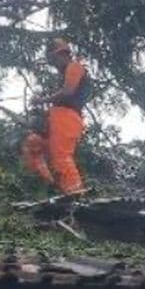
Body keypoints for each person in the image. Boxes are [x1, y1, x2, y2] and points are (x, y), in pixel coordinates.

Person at [22, 38, 90, 195]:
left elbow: (68, 92)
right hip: (56, 117)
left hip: (68, 118)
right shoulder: (65, 73)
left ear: (62, 55)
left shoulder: (74, 67)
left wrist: (42, 100)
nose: (53, 64)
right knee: (33, 142)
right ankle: (49, 186)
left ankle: (76, 194)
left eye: (53, 60)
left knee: (61, 156)